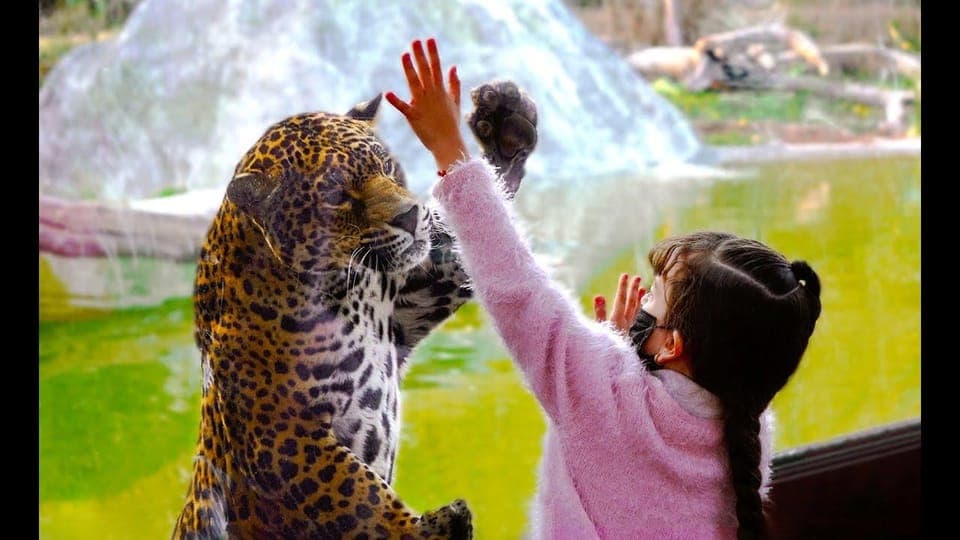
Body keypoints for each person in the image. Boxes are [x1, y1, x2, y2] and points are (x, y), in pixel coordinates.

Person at [386, 38, 822, 540]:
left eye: (655, 298)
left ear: (673, 344)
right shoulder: (752, 430)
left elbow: (518, 289)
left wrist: (450, 152)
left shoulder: (604, 388)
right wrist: (618, 360)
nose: (642, 303)